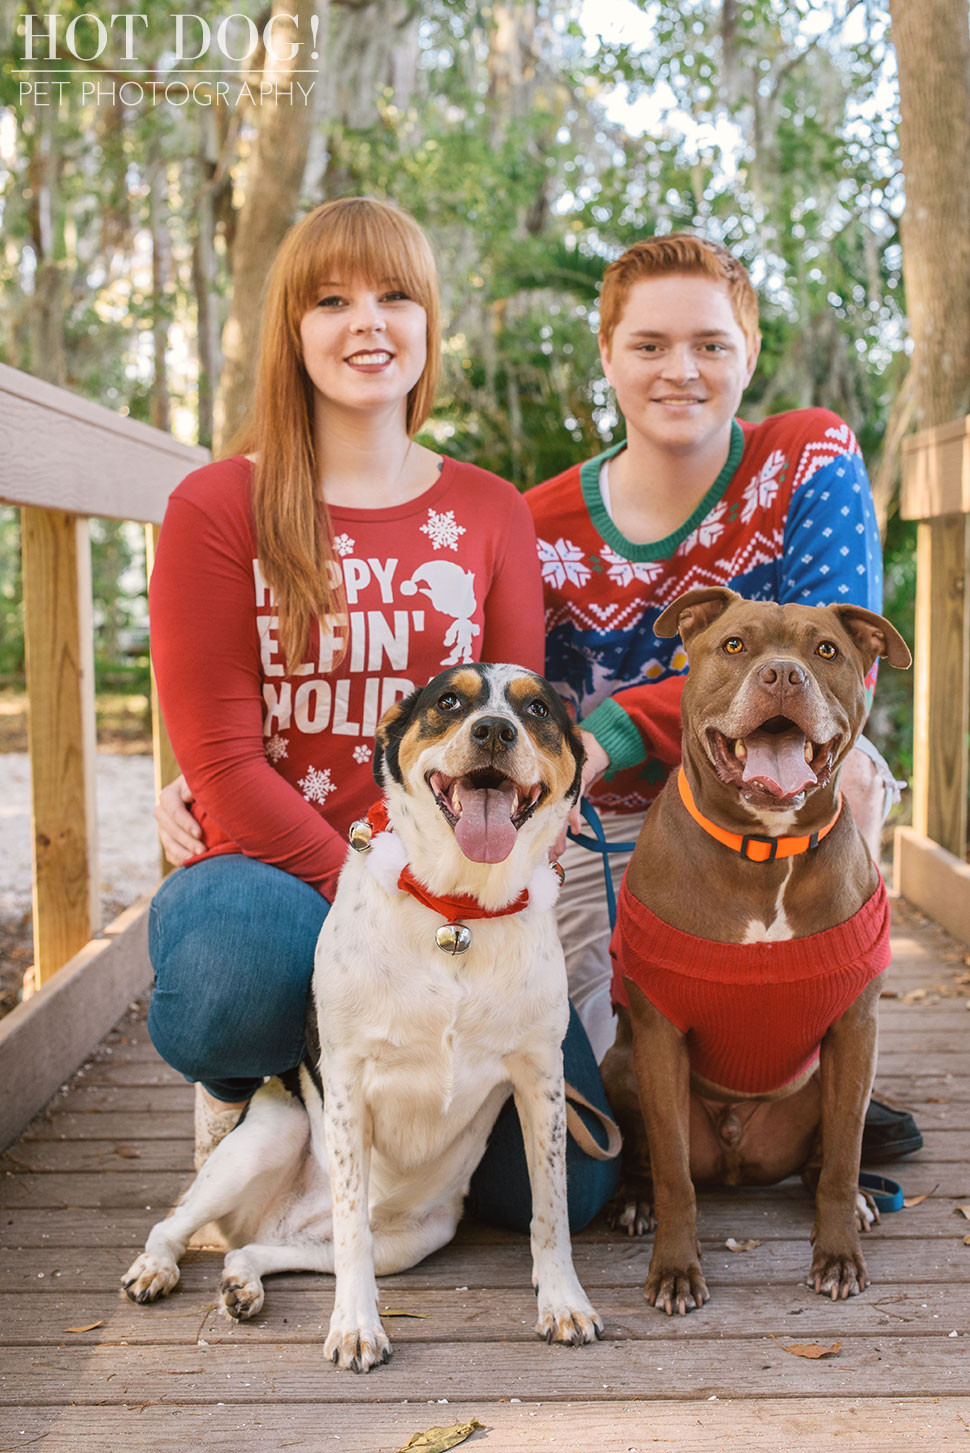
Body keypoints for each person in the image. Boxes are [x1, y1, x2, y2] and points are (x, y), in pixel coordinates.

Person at [147, 196, 618, 1223]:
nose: (368, 322)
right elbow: (223, 761)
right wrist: (372, 888)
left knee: (572, 1188)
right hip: (272, 868)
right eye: (332, 299)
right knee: (222, 987)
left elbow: (523, 741)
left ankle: (373, 1133)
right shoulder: (219, 507)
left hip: (458, 890)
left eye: (395, 295)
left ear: (427, 323)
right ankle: (266, 1095)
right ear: (292, 330)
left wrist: (460, 884)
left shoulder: (489, 510)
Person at [526, 233, 920, 1161]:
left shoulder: (803, 455)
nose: (681, 371)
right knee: (607, 1118)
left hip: (786, 791)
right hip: (606, 828)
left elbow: (839, 671)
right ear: (609, 356)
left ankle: (823, 1066)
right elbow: (497, 693)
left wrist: (616, 726)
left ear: (748, 355)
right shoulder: (535, 522)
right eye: (650, 345)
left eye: (710, 344)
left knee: (853, 772)